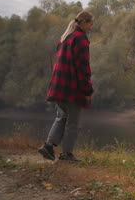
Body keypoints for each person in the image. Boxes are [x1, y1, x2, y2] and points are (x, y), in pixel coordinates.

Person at [38, 10, 95, 162]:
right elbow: (83, 67)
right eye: (90, 23)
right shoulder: (81, 39)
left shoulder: (65, 37)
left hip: (58, 85)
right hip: (72, 87)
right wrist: (88, 90)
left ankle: (48, 146)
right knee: (73, 122)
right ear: (83, 22)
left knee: (61, 116)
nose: (91, 27)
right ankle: (66, 155)